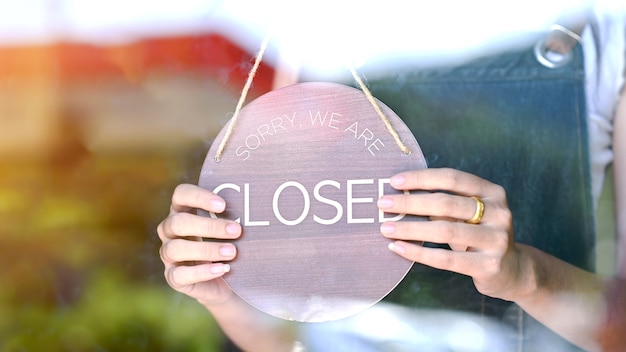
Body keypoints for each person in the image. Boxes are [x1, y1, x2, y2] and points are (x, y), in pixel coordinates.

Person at [157, 6, 625, 352]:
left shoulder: (604, 33)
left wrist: (526, 275)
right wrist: (227, 295)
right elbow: (298, 340)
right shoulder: (290, 29)